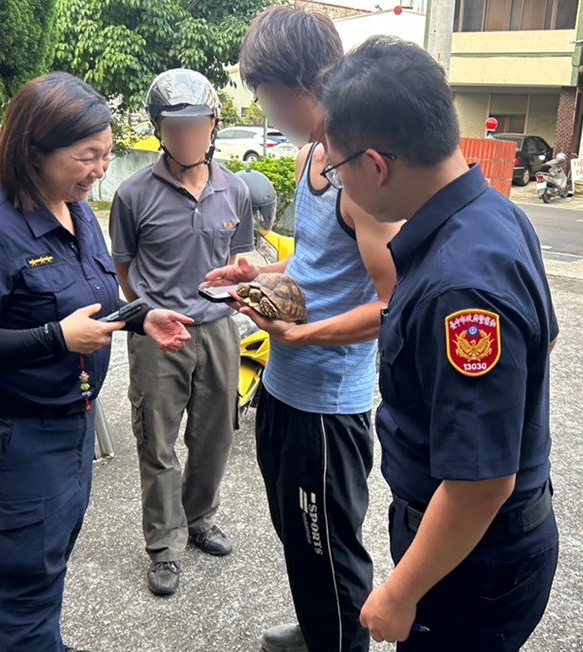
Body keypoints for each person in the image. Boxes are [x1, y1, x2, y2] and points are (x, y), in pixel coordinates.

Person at [0, 72, 194, 652]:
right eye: (87, 156)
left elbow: (90, 299)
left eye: (106, 153)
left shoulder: (76, 212)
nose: (101, 168)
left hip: (69, 426)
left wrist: (139, 316)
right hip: (12, 437)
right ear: (33, 151)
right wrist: (54, 337)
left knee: (47, 565)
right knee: (24, 585)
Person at [317, 37, 560, 651]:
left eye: (337, 168)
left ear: (375, 165)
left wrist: (400, 592)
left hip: (472, 561)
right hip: (467, 540)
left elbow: (482, 483)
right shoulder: (492, 214)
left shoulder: (460, 287)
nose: (339, 182)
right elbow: (544, 344)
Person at [203, 6, 401, 652]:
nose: (267, 112)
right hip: (285, 388)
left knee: (330, 548)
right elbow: (316, 264)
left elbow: (394, 303)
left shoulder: (360, 174)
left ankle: (339, 635)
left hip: (327, 407)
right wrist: (259, 271)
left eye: (267, 97)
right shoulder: (312, 156)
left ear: (301, 88)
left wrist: (304, 338)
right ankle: (319, 627)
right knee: (296, 530)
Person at [109, 69, 254, 596]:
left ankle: (198, 519)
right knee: (157, 442)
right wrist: (150, 309)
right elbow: (123, 271)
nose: (187, 135)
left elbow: (242, 256)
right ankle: (164, 546)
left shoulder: (235, 190)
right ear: (159, 130)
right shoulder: (132, 194)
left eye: (197, 124)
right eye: (175, 127)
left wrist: (246, 275)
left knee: (216, 436)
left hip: (218, 329)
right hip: (157, 336)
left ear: (213, 124)